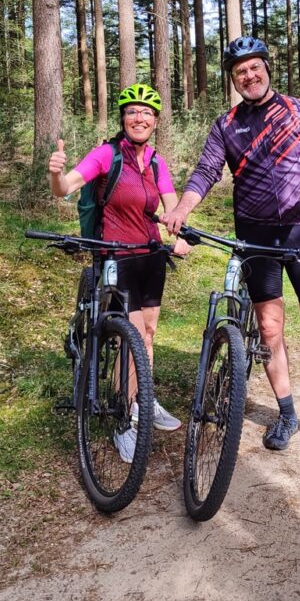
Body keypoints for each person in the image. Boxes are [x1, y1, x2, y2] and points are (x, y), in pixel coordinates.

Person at [160, 36, 300, 466]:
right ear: (233, 80)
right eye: (239, 72)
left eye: (254, 68)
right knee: (269, 329)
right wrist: (181, 207)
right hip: (254, 236)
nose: (249, 76)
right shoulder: (227, 125)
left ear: (266, 69)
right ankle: (286, 415)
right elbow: (206, 173)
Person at [49, 83, 189, 463]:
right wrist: (57, 174)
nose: (139, 117)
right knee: (132, 337)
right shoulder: (106, 155)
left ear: (156, 122)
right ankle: (126, 419)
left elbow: (172, 206)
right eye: (132, 112)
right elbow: (66, 187)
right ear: (123, 119)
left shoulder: (157, 162)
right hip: (116, 256)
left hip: (151, 256)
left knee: (149, 333)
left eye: (146, 113)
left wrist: (180, 233)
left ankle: (143, 399)